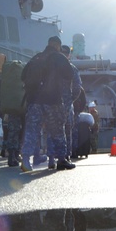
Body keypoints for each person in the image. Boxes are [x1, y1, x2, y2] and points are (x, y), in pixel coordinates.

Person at [20, 36, 75, 172]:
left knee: (31, 131)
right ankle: (61, 159)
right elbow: (69, 75)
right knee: (57, 130)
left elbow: (22, 76)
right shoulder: (59, 57)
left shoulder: (36, 58)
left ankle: (26, 161)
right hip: (52, 100)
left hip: (33, 101)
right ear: (57, 46)